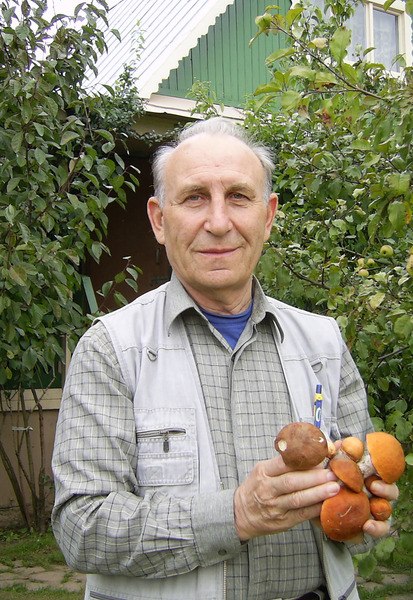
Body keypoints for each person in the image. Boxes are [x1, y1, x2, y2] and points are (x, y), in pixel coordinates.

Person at [52, 117, 398, 600]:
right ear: (159, 219)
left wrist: (366, 510)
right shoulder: (111, 350)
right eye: (195, 197)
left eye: (238, 196)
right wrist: (234, 515)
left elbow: (358, 504)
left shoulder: (323, 343)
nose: (218, 222)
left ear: (268, 217)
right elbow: (80, 528)